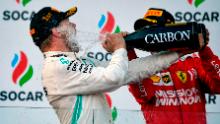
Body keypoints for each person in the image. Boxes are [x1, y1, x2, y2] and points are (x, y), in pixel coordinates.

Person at [29, 6, 199, 124]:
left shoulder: (78, 61)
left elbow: (130, 71)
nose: (74, 25)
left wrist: (179, 52)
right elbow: (113, 78)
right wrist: (119, 48)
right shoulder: (56, 66)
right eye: (67, 22)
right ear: (56, 32)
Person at [128, 8, 220, 124]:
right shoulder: (144, 68)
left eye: (152, 29)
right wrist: (127, 50)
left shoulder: (193, 62)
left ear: (170, 31)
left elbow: (218, 86)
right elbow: (143, 96)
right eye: (144, 30)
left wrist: (203, 49)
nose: (148, 35)